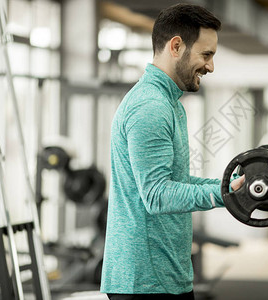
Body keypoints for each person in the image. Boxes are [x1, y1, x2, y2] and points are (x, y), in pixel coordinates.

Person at [100, 4, 224, 300]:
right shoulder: (151, 108)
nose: (210, 66)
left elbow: (174, 181)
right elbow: (156, 195)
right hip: (145, 282)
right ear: (177, 46)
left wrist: (231, 184)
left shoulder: (169, 104)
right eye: (206, 55)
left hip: (165, 277)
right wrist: (225, 195)